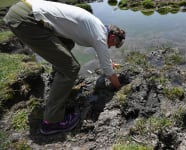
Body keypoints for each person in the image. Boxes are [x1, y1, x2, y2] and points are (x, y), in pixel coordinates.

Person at [4, 0, 125, 135]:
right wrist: (120, 88)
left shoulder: (97, 26)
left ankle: (57, 79)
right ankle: (51, 123)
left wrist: (108, 61)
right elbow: (107, 69)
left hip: (25, 11)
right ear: (113, 36)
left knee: (67, 42)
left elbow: (101, 52)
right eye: (113, 44)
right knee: (71, 68)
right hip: (27, 19)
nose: (110, 47)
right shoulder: (99, 35)